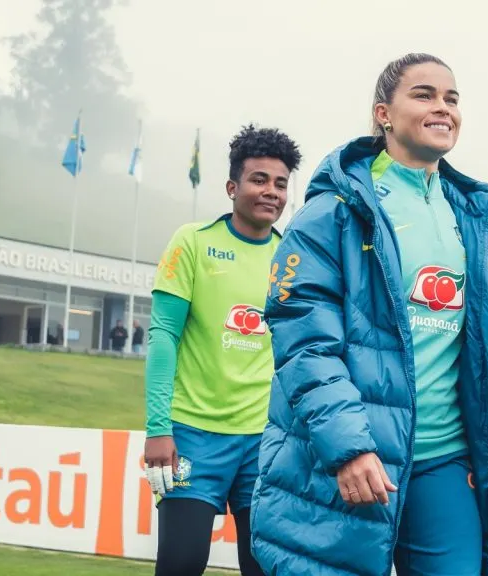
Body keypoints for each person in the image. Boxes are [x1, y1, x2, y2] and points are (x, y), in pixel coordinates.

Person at [250, 53, 488, 576]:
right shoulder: (330, 212)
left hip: (443, 461)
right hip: (350, 459)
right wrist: (348, 448)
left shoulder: (472, 216)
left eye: (452, 98)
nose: (443, 107)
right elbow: (305, 343)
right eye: (424, 95)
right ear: (383, 114)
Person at [143, 124, 302, 576]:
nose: (270, 192)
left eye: (280, 183)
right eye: (258, 180)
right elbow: (162, 338)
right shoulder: (192, 242)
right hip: (192, 434)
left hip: (264, 442)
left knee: (264, 568)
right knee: (180, 564)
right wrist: (158, 428)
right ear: (232, 187)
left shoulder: (291, 260)